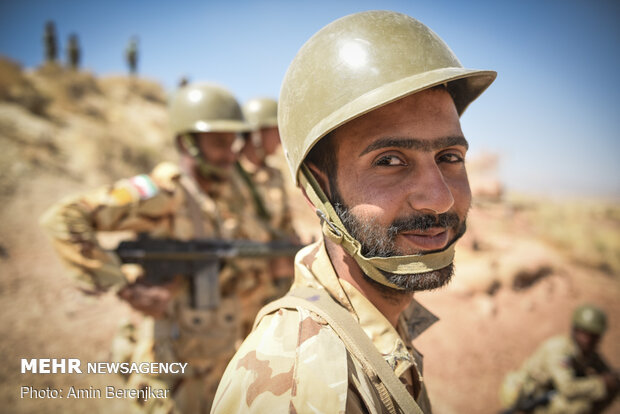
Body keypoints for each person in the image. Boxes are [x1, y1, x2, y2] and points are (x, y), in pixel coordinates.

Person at [211, 10, 496, 414]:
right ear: (318, 188)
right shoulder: (298, 381)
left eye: (449, 156)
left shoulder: (373, 327)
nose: (440, 198)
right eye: (389, 161)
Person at [40, 82, 270, 413]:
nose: (231, 152)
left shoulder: (220, 197)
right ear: (185, 142)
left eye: (234, 141)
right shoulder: (165, 194)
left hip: (213, 360)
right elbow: (64, 218)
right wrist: (124, 287)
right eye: (219, 142)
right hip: (170, 374)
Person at [236, 97, 299, 331]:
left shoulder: (275, 175)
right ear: (256, 134)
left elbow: (285, 225)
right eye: (275, 131)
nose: (280, 139)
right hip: (240, 287)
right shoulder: (229, 176)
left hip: (274, 283)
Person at [499, 304, 618, 414]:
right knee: (579, 406)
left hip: (551, 393)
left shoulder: (588, 352)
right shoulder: (559, 350)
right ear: (575, 330)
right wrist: (601, 383)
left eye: (594, 336)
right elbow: (568, 388)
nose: (588, 340)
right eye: (585, 333)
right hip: (533, 396)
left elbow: (609, 373)